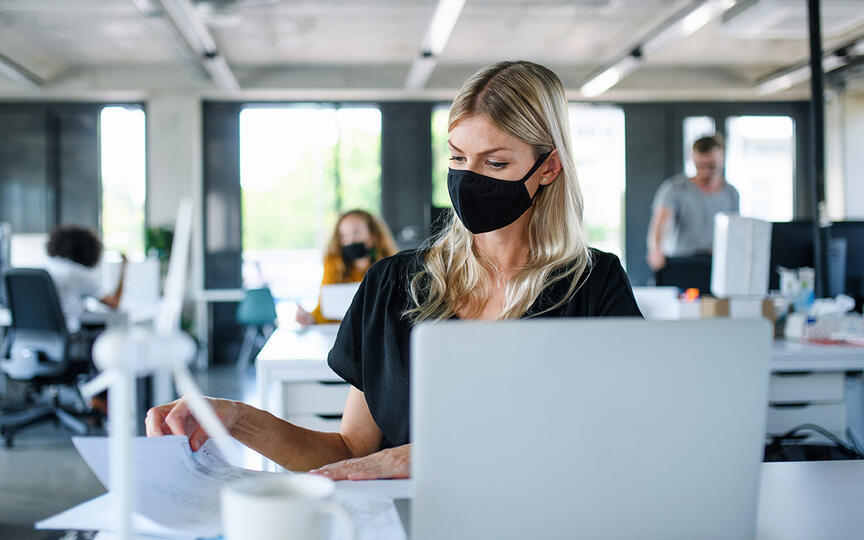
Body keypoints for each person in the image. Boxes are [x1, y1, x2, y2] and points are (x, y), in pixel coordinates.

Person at [145, 61, 642, 480]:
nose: (469, 179)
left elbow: (616, 450)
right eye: (458, 157)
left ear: (548, 168)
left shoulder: (594, 288)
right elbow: (352, 452)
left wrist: (431, 460)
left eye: (494, 164)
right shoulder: (392, 284)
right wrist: (236, 419)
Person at [646, 135, 740, 272]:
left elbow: (735, 229)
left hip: (716, 263)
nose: (706, 171)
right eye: (700, 166)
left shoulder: (731, 193)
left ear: (722, 158)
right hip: (682, 262)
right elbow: (661, 223)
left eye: (711, 166)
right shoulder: (675, 189)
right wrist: (656, 250)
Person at [295, 209, 398, 326]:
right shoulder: (332, 264)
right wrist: (309, 319)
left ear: (373, 235)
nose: (350, 240)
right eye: (344, 235)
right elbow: (324, 310)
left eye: (356, 233)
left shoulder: (390, 265)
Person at [45, 225, 127, 333]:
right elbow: (114, 303)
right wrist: (123, 270)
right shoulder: (77, 273)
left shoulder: (49, 265)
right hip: (68, 335)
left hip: (37, 335)